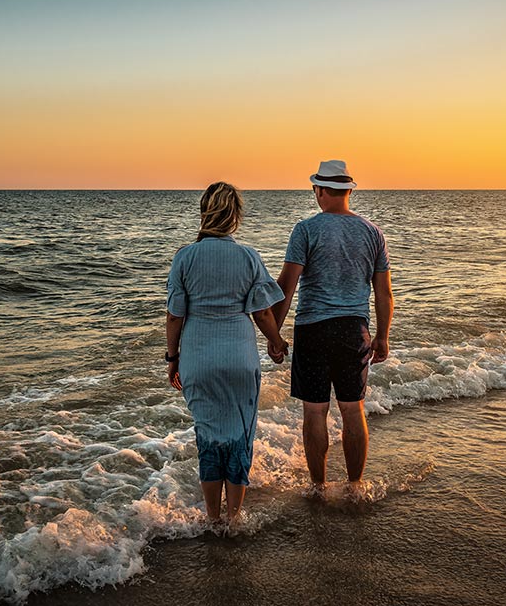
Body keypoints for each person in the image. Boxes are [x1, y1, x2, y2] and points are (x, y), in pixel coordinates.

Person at [166, 182, 289, 522]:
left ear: (204, 212)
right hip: (239, 357)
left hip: (198, 358)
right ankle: (234, 519)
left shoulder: (184, 257)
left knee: (207, 437)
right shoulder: (248, 256)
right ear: (235, 216)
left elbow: (175, 315)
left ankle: (211, 517)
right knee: (240, 437)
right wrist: (277, 343)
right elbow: (262, 312)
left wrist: (172, 358)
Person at [270, 160, 393, 496]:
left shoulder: (306, 229)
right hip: (355, 329)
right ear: (348, 191)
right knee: (353, 409)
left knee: (315, 411)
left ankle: (319, 487)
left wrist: (275, 334)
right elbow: (384, 292)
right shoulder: (372, 232)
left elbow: (287, 285)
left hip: (313, 328)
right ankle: (355, 486)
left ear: (320, 191)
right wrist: (382, 336)